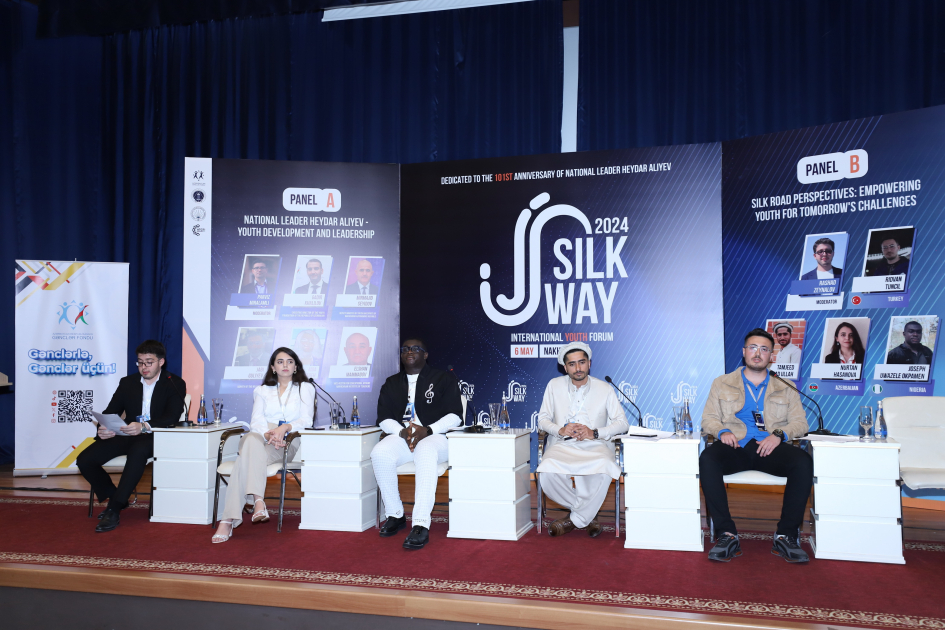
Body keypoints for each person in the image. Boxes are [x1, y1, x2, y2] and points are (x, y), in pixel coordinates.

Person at [700, 328, 813, 563]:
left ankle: (785, 535)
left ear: (771, 355)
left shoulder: (785, 385)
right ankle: (726, 534)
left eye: (764, 349)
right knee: (708, 459)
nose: (758, 353)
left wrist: (779, 435)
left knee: (802, 462)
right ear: (744, 352)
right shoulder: (722, 383)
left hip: (769, 447)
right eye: (753, 348)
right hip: (736, 446)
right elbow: (708, 419)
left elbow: (801, 423)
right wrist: (722, 431)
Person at [77, 340, 186, 533]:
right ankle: (115, 496)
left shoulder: (174, 383)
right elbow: (111, 411)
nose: (144, 367)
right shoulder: (127, 382)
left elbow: (171, 417)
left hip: (155, 435)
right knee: (85, 459)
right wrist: (103, 428)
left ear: (161, 362)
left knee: (138, 451)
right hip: (126, 433)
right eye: (140, 362)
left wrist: (144, 427)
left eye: (149, 362)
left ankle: (114, 508)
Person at [212, 347, 315, 543]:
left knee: (243, 462)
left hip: (288, 439)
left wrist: (284, 428)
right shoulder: (261, 390)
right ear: (273, 367)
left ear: (296, 367)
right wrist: (269, 434)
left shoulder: (305, 388)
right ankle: (258, 500)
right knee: (251, 439)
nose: (285, 365)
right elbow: (256, 421)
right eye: (280, 361)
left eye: (290, 361)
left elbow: (306, 420)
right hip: (262, 435)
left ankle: (229, 519)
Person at [371, 338, 463, 550]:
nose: (409, 351)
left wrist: (427, 430)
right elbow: (383, 418)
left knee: (425, 449)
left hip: (436, 437)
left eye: (415, 349)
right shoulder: (392, 382)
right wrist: (402, 432)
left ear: (425, 354)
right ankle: (395, 514)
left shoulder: (443, 378)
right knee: (380, 453)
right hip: (403, 436)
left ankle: (421, 523)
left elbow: (455, 416)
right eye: (405, 349)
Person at [535, 342, 629, 537]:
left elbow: (622, 423)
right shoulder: (554, 385)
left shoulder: (605, 388)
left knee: (604, 468)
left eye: (582, 362)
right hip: (562, 444)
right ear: (565, 367)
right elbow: (542, 419)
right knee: (546, 472)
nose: (578, 368)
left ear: (589, 363)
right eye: (572, 364)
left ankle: (574, 519)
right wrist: (560, 429)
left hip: (595, 444)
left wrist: (594, 433)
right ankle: (587, 515)